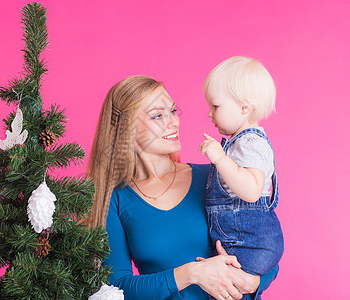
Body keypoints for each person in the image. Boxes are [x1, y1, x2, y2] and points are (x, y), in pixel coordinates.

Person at [86, 75, 278, 300]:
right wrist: (192, 273)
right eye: (158, 115)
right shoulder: (114, 200)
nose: (173, 122)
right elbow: (116, 287)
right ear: (126, 128)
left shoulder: (215, 176)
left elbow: (266, 246)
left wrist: (252, 281)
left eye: (173, 111)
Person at [199, 56, 283, 278]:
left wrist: (220, 158)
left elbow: (251, 192)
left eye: (215, 106)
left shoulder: (251, 143)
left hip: (250, 243)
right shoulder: (239, 142)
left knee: (220, 284)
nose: (209, 113)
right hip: (238, 240)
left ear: (244, 106)